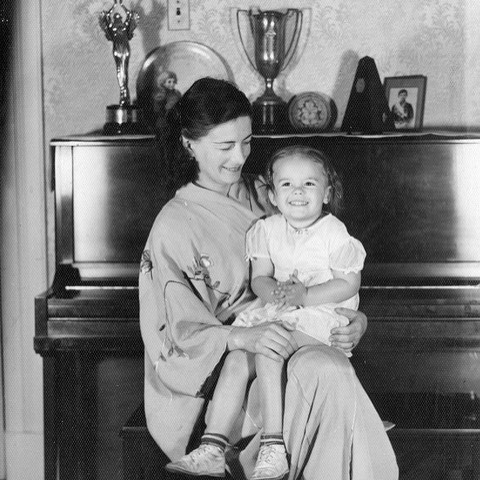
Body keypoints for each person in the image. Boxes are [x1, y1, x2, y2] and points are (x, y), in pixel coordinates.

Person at [139, 77, 398, 480]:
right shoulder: (173, 226)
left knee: (325, 366)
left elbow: (329, 271)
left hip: (289, 332)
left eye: (246, 142)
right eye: (225, 146)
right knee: (323, 371)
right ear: (189, 143)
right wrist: (242, 337)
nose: (240, 157)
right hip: (226, 374)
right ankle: (228, 449)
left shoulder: (266, 191)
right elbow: (174, 332)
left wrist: (353, 321)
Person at [165, 144, 367, 479]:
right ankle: (213, 447)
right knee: (237, 358)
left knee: (269, 349)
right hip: (281, 312)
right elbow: (259, 278)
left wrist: (305, 294)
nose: (298, 192)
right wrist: (273, 292)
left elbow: (348, 284)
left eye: (309, 184)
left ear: (327, 193)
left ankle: (274, 448)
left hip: (320, 317)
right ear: (273, 195)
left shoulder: (334, 233)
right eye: (287, 184)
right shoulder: (267, 229)